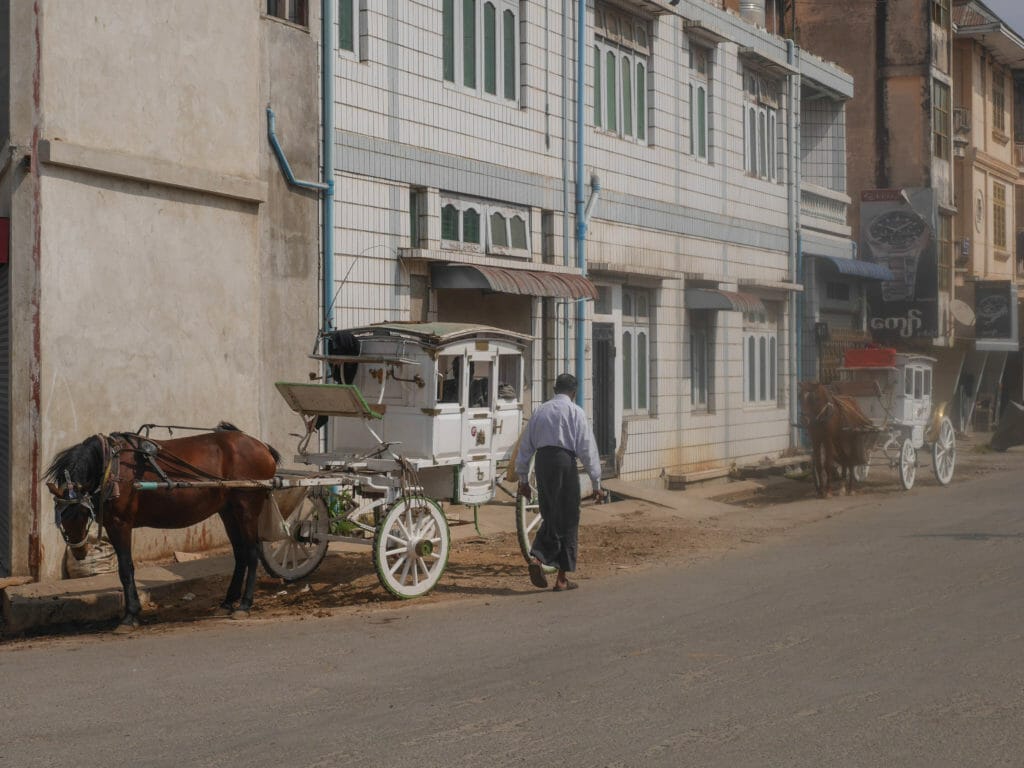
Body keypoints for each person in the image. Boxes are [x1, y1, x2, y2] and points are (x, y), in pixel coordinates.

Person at [514, 373, 606, 591]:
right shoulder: (576, 412)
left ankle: (538, 559)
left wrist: (523, 479)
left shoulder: (540, 411)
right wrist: (596, 483)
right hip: (564, 463)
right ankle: (560, 577)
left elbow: (525, 446)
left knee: (550, 512)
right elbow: (587, 448)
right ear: (574, 393)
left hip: (543, 463)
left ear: (555, 389)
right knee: (569, 517)